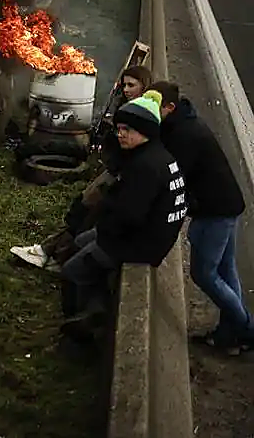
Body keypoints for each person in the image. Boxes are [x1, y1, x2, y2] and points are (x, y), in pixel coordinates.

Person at [60, 90, 187, 340]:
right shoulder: (154, 155)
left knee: (72, 272)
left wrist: (103, 229)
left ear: (145, 131)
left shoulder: (146, 167)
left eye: (128, 130)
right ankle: (94, 306)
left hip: (138, 245)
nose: (121, 134)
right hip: (145, 237)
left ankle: (80, 326)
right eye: (119, 129)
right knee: (81, 242)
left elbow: (128, 216)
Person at [12, 64, 153, 270]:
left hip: (119, 173)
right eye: (124, 85)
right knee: (81, 211)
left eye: (132, 85)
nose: (126, 90)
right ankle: (51, 251)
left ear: (144, 85)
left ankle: (54, 254)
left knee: (87, 214)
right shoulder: (127, 107)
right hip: (112, 169)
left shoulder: (143, 114)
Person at [153, 81, 253, 355]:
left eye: (155, 106)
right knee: (225, 271)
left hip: (215, 211)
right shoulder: (184, 124)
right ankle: (229, 335)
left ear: (169, 107)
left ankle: (246, 328)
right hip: (227, 204)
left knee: (204, 273)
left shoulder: (183, 136)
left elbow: (174, 178)